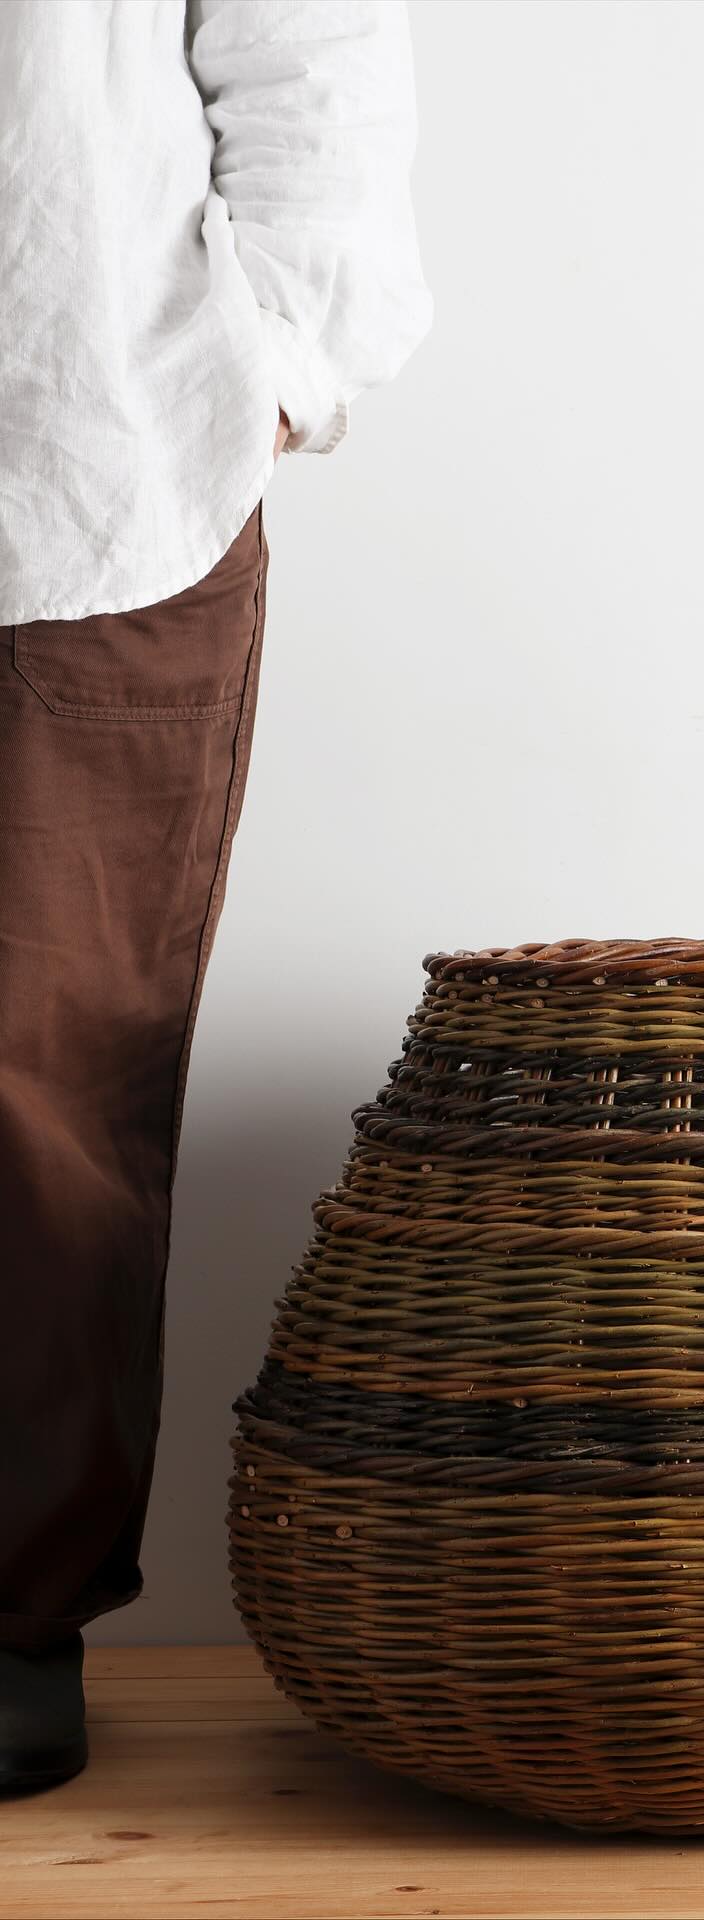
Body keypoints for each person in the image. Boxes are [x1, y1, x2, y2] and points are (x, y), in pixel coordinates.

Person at [0, 0, 431, 1791]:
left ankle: (5, 1611)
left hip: (79, 457)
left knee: (40, 1079)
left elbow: (308, 43)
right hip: (101, 442)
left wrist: (269, 360)